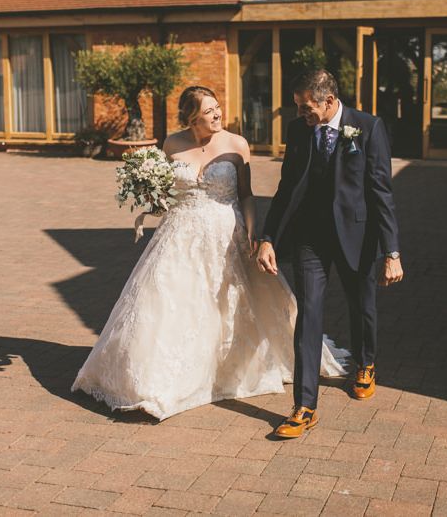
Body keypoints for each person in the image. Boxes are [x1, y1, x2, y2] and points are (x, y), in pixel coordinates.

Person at [72, 86, 348, 421]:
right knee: (168, 302)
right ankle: (152, 382)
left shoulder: (236, 144)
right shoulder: (172, 143)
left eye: (218, 107)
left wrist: (250, 233)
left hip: (224, 233)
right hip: (178, 235)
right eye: (209, 111)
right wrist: (153, 199)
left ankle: (223, 369)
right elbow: (167, 192)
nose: (217, 114)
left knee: (225, 305)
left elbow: (246, 195)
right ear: (192, 118)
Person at [257, 70, 402, 439]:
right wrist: (269, 236)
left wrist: (392, 251)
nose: (302, 114)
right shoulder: (298, 130)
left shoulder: (367, 127)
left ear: (329, 101)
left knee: (362, 305)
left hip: (357, 234)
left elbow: (381, 191)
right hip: (310, 238)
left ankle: (365, 364)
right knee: (309, 313)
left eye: (307, 108)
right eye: (299, 108)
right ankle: (305, 406)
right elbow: (287, 186)